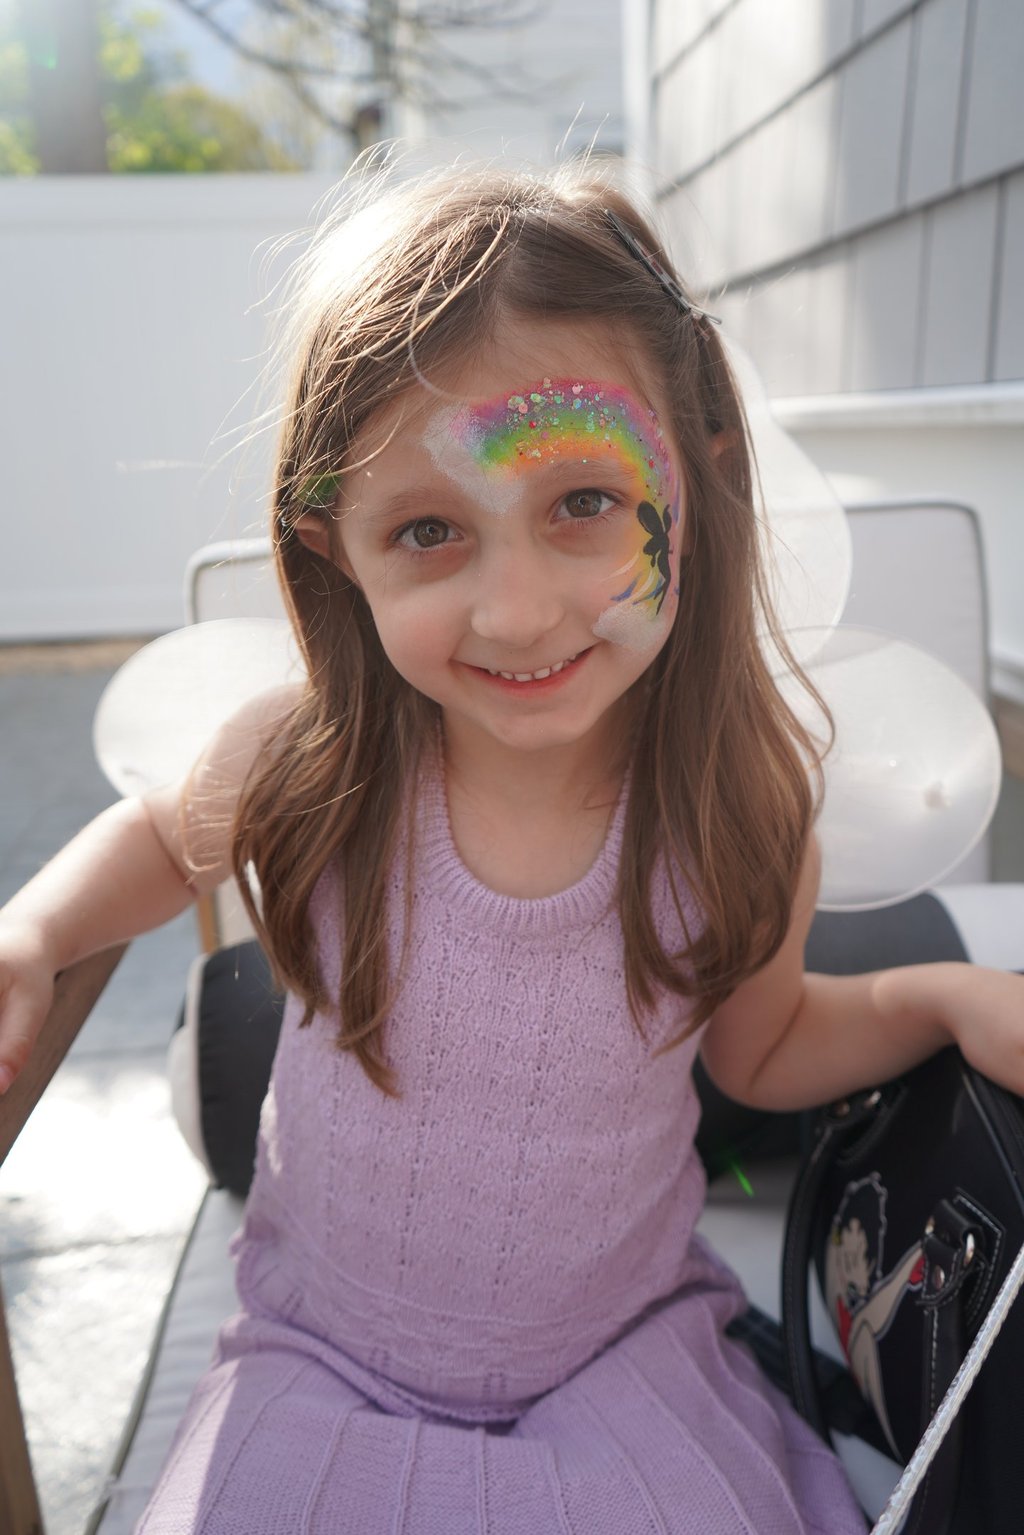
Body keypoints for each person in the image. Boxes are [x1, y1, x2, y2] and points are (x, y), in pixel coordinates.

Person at [1, 162, 1021, 1534]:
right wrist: (34, 934)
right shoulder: (315, 762)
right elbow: (153, 839)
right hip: (322, 1364)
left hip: (615, 1364)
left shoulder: (732, 808)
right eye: (428, 531)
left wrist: (947, 996)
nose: (519, 607)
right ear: (335, 550)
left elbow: (764, 1049)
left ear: (699, 467)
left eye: (584, 504)